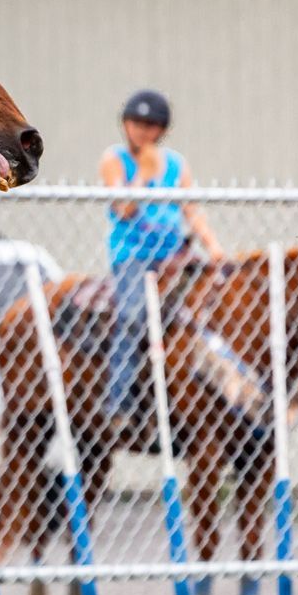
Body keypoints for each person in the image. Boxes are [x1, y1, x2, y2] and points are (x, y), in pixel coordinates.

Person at [100, 89, 223, 422]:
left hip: (174, 254)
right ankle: (120, 401)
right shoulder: (115, 160)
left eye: (150, 125)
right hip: (134, 255)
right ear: (125, 125)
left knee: (212, 307)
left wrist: (213, 249)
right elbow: (123, 209)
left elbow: (191, 210)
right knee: (132, 316)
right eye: (136, 123)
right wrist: (144, 174)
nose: (142, 131)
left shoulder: (177, 164)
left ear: (161, 129)